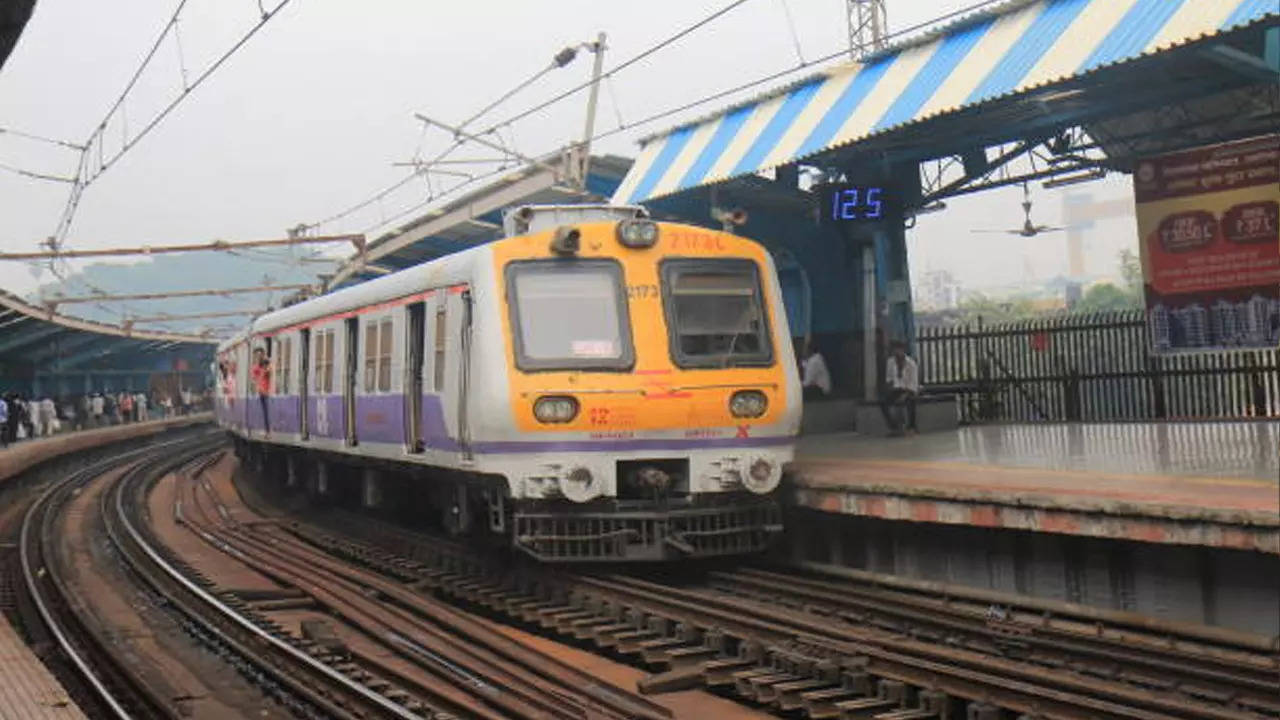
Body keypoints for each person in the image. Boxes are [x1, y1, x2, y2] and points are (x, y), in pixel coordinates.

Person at [880, 340, 919, 436]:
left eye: (899, 350)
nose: (897, 352)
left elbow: (913, 383)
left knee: (910, 401)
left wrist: (905, 394)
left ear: (904, 350)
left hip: (909, 390)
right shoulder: (890, 362)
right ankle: (894, 427)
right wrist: (889, 386)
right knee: (884, 402)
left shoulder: (911, 364)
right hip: (896, 389)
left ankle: (911, 427)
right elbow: (888, 378)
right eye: (895, 350)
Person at [251, 347, 272, 434]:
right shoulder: (255, 368)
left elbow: (270, 372)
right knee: (264, 412)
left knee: (268, 411)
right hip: (261, 392)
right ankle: (266, 430)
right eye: (257, 356)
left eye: (260, 355)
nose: (259, 357)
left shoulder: (268, 364)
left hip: (268, 392)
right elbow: (254, 378)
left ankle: (268, 430)